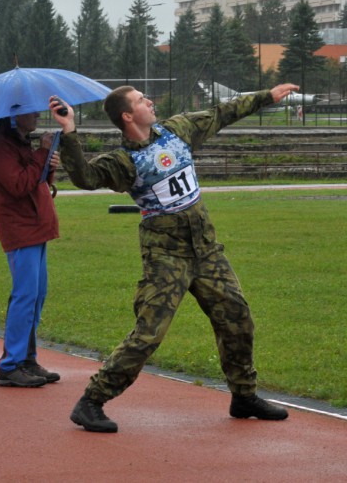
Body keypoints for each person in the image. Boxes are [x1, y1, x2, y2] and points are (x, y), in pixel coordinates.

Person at [51, 83, 299, 433]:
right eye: (140, 101)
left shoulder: (178, 130)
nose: (149, 102)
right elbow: (86, 176)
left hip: (206, 251)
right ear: (127, 115)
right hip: (166, 258)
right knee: (149, 334)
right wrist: (69, 131)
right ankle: (92, 401)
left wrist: (266, 97)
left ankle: (244, 396)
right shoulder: (123, 161)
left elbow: (221, 113)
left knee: (237, 317)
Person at [0, 111, 61, 388]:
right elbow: (18, 185)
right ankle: (10, 365)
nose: (37, 115)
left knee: (36, 296)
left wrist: (49, 164)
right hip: (20, 229)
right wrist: (42, 154)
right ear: (13, 116)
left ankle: (27, 359)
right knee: (25, 295)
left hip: (36, 226)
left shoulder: (20, 143)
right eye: (31, 111)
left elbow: (37, 181)